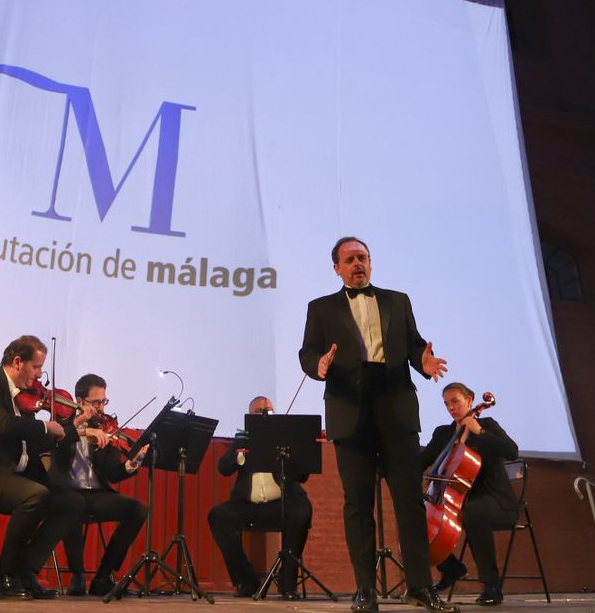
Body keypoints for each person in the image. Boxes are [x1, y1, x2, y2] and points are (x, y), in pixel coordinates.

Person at [299, 236, 456, 613]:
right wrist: (318, 365)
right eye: (350, 259)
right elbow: (307, 352)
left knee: (409, 504)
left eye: (363, 258)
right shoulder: (320, 308)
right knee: (358, 505)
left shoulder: (397, 301)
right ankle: (365, 591)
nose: (358, 264)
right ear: (336, 267)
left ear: (371, 263)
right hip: (349, 412)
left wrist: (424, 361)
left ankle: (420, 587)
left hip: (395, 408)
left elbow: (416, 345)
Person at [0, 334, 82, 599]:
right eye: (36, 367)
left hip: (13, 476)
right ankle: (5, 576)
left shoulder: (18, 396)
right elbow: (4, 426)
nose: (40, 374)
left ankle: (25, 571)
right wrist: (46, 426)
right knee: (36, 495)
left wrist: (71, 429)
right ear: (18, 362)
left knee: (73, 505)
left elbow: (32, 439)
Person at [46, 373, 151, 596]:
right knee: (71, 503)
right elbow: (58, 444)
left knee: (137, 510)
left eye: (104, 401)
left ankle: (103, 577)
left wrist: (131, 465)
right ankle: (78, 575)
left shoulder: (105, 426)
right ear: (80, 401)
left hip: (97, 495)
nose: (102, 408)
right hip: (67, 493)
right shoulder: (63, 422)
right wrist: (82, 428)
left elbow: (113, 473)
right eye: (96, 402)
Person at [420, 383, 520, 606]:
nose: (451, 408)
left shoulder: (487, 425)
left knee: (474, 511)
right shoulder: (443, 433)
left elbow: (512, 451)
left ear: (470, 399)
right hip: (459, 503)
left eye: (455, 401)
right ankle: (451, 568)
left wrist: (479, 431)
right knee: (419, 514)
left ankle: (492, 586)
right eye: (447, 404)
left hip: (497, 502)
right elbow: (422, 462)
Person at [207, 395, 314, 599]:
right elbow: (223, 468)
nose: (265, 414)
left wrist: (289, 456)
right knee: (218, 515)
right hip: (249, 504)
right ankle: (246, 580)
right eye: (259, 411)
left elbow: (302, 475)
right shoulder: (241, 438)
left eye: (269, 411)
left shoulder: (285, 438)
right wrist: (241, 453)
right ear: (249, 416)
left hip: (282, 502)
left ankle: (288, 581)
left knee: (301, 511)